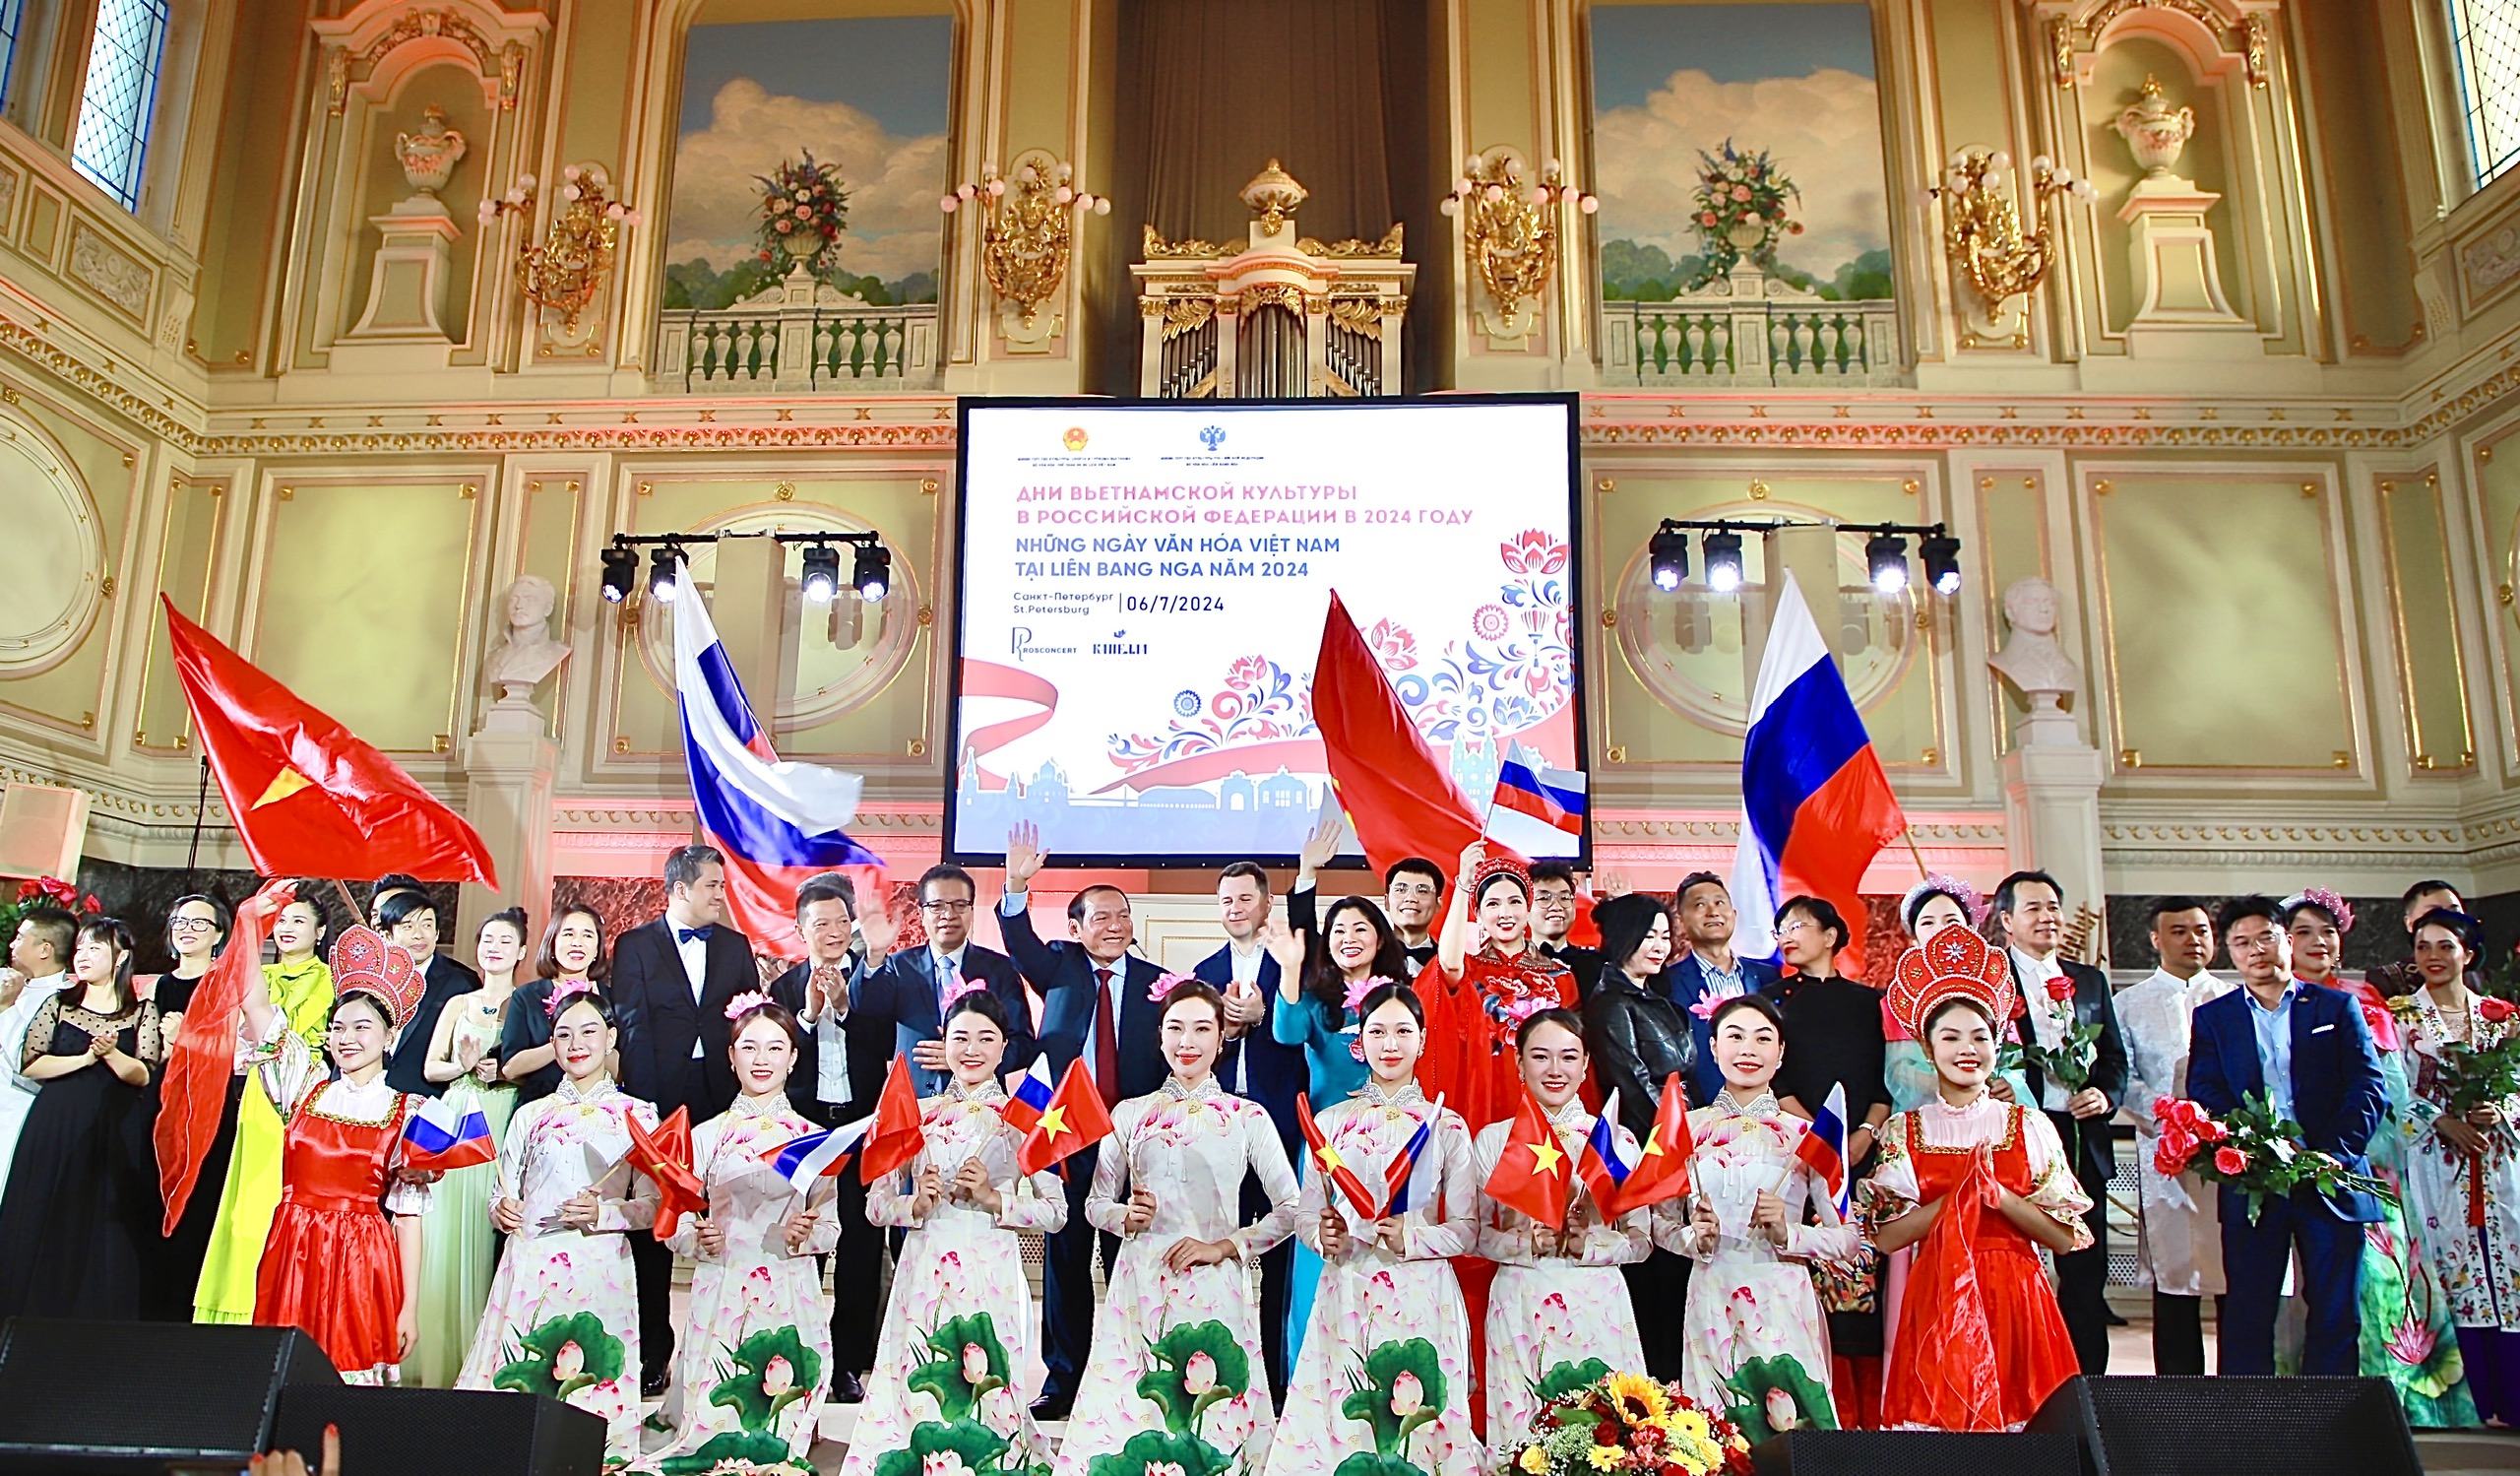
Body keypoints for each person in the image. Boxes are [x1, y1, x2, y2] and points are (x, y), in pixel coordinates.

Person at [1056, 980, 1300, 1474]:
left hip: (1216, 1285)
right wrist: (1124, 1216)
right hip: (1140, 1283)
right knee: (1137, 1407)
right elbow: (1094, 1204)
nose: (1186, 1041)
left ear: (1221, 1038)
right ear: (1160, 1036)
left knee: (1211, 1410)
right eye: (1175, 1028)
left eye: (1201, 1029)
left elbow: (1292, 1208)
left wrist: (1226, 1247)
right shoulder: (1129, 1113)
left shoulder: (1246, 1116)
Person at [1870, 923, 2089, 1431]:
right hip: (1937, 1298)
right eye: (1950, 1037)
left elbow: (2064, 1236)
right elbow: (1885, 1236)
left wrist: (2001, 1199)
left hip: (2017, 1298)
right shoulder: (1906, 1130)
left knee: (2029, 1438)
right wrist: (1957, 1202)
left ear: (1998, 1046)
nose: (1967, 1049)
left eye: (1980, 1036)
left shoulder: (2029, 1126)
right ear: (1928, 1049)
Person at [841, 990, 1064, 1476]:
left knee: (986, 1380)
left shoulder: (1023, 1119)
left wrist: (993, 1199)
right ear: (943, 1042)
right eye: (961, 1037)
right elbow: (875, 1207)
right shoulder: (913, 1113)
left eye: (987, 1039)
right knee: (920, 1375)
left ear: (1005, 1047)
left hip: (993, 1272)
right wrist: (914, 1203)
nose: (972, 1049)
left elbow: (1057, 1212)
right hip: (923, 1271)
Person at [1267, 981, 1480, 1476]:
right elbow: (1307, 1213)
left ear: (1422, 1040)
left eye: (1403, 1031)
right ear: (1359, 1042)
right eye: (1378, 1032)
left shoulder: (1447, 1126)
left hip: (1423, 1290)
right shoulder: (1330, 1122)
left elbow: (1467, 1230)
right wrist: (1325, 1237)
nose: (1390, 1044)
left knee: (1420, 1419)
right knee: (1346, 1410)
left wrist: (1414, 1238)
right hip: (1349, 1285)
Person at [998, 820, 1168, 1420]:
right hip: (1067, 1135)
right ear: (1075, 927)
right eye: (1101, 917)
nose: (1115, 926)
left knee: (1130, 1258)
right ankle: (1064, 1379)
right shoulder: (1060, 966)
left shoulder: (1157, 985)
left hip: (1133, 1139)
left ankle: (1134, 1374)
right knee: (1066, 1259)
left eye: (1122, 915)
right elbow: (1017, 939)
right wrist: (1016, 884)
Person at [2285, 886, 2470, 1422]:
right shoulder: (2272, 1002)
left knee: (2385, 1275)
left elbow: (2391, 1089)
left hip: (2375, 1161)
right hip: (2292, 1160)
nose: (2318, 942)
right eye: (2303, 933)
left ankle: (2396, 1398)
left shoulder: (2367, 1003)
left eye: (2328, 932)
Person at [458, 984, 662, 1463]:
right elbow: (503, 1190)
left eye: (589, 1031)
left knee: (592, 1378)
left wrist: (604, 1213)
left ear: (611, 1038)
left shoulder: (638, 1116)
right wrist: (500, 1210)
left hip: (600, 1265)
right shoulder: (531, 1115)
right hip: (532, 1262)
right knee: (524, 1375)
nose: (577, 1044)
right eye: (564, 1034)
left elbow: (652, 1205)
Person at [2187, 895, 2389, 1377]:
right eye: (2241, 943)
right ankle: (2247, 1419)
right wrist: (2257, 1147)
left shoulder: (2337, 1007)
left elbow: (2368, 1087)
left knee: (2335, 1308)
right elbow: (2205, 1092)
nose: (2256, 950)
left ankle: (2328, 1420)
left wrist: (2333, 1154)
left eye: (2265, 937)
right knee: (2248, 1309)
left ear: (2287, 941)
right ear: (2229, 954)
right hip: (2255, 1179)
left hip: (2329, 1176)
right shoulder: (2216, 1018)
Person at [638, 995, 836, 1470]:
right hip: (723, 1278)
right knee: (714, 1426)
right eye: (749, 1048)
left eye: (774, 1048)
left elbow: (831, 1227)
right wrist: (694, 1239)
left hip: (788, 1281)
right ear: (731, 1057)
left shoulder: (814, 1138)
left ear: (793, 1057)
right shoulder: (706, 1136)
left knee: (780, 1423)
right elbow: (677, 1218)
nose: (761, 1059)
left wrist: (805, 1234)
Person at [241, 915, 433, 1381]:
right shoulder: (304, 1084)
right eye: (339, 1027)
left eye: (362, 1027)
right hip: (294, 1251)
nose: (347, 1038)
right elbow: (255, 1005)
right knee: (286, 1381)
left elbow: (408, 1219)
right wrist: (250, 923)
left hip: (362, 1262)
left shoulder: (411, 1113)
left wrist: (409, 1307)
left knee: (351, 1385)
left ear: (389, 1037)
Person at [1666, 993, 1856, 1432]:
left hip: (1781, 1295)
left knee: (1796, 1435)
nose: (1747, 1049)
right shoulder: (1684, 1129)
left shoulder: (1806, 1137)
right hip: (1712, 1293)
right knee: (1713, 1438)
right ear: (1712, 1047)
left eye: (1762, 1038)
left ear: (1781, 1052)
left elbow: (1847, 1240)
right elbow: (1656, 1223)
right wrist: (1694, 1237)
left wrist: (1789, 1233)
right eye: (1734, 1036)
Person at [608, 844, 756, 1395]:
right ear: (680, 890)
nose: (722, 894)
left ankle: (729, 1346)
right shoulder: (635, 946)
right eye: (713, 885)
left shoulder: (737, 947)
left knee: (725, 1219)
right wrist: (646, 1106)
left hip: (721, 1099)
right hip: (659, 1101)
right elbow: (631, 1023)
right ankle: (653, 1353)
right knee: (656, 1225)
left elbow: (744, 1022)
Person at [1473, 1008, 1648, 1439]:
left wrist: (1588, 1245)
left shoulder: (1615, 1141)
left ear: (1586, 1064)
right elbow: (1474, 1234)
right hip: (1521, 1300)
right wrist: (1525, 1243)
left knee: (1608, 1440)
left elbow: (1641, 1240)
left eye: (1568, 1057)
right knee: (1522, 1438)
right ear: (1518, 1063)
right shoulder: (1493, 1140)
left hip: (1597, 1302)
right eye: (1540, 1056)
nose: (1555, 1070)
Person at [1265, 893, 1410, 1375]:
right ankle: (1311, 1378)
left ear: (1380, 937)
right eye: (1339, 931)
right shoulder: (1317, 1002)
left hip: (1395, 1145)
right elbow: (1285, 1034)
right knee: (1320, 1255)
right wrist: (1290, 969)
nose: (1349, 939)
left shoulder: (1401, 996)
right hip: (1330, 1147)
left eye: (1360, 929)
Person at [766, 871, 893, 1405]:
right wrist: (813, 1013)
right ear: (801, 929)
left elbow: (887, 1037)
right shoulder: (784, 986)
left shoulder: (874, 975)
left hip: (862, 1126)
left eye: (843, 921)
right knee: (805, 1243)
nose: (835, 931)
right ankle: (798, 1360)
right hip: (807, 1129)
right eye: (822, 923)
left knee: (861, 1250)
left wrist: (844, 1007)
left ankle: (848, 1366)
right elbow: (777, 1048)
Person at [1992, 869, 2125, 1375]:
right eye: (2033, 908)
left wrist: (2104, 1095)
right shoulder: (1993, 978)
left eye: (2053, 907)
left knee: (2085, 1270)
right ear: (2007, 920)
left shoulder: (2088, 980)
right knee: (2018, 1267)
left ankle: (2089, 1384)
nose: (2047, 917)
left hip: (2081, 1138)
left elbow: (2114, 1057)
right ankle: (2023, 1379)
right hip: (2019, 1138)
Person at [1766, 894, 1891, 1424]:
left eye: (1799, 925)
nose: (1788, 935)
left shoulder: (1869, 1003)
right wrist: (1817, 1140)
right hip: (1799, 1155)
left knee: (1864, 1287)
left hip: (1862, 1157)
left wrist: (1863, 1132)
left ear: (1831, 935)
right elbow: (1778, 1080)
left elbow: (1882, 1085)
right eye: (1781, 929)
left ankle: (1869, 1417)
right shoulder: (1773, 1001)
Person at [0, 917, 160, 1318]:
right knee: (41, 1212)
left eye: (95, 948)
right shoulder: (58, 1004)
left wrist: (110, 1054)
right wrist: (85, 1057)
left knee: (101, 1223)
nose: (83, 956)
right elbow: (30, 1065)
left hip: (114, 1127)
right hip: (55, 1123)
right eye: (81, 948)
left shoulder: (142, 1011)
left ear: (120, 957)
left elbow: (143, 1073)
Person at [2402, 908, 2520, 1424]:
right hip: (2436, 1161)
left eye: (2444, 946)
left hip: (2499, 1160)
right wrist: (2439, 1120)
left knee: (2509, 1265)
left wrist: (2504, 1110)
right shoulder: (2400, 1016)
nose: (2433, 956)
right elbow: (2392, 1090)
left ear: (2466, 953)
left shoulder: (2502, 1016)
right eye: (2423, 946)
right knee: (2454, 1268)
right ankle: (2468, 1400)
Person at [197, 886, 335, 1325]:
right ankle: (235, 1302)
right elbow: (237, 1033)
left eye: (299, 920)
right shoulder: (260, 975)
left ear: (321, 930)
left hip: (304, 1090)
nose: (288, 928)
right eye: (282, 920)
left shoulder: (330, 980)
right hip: (257, 1089)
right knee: (247, 1197)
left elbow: (292, 1032)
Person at [1195, 858, 1306, 1399]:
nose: (1235, 909)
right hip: (1219, 1134)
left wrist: (1264, 1017)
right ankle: (1220, 1373)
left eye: (1244, 898)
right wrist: (1230, 1031)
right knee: (1222, 1250)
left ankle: (1279, 1381)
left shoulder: (1292, 966)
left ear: (1265, 903)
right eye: (1225, 901)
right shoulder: (1202, 971)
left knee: (1282, 1257)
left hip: (1283, 1124)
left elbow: (1297, 1035)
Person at [405, 907, 528, 1388]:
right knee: (444, 1233)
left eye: (504, 940)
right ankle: (435, 1352)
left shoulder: (528, 1001)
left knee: (487, 1231)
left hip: (504, 1116)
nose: (493, 947)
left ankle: (484, 1353)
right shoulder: (459, 1002)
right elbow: (431, 1068)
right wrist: (463, 1064)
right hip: (459, 1118)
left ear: (521, 952)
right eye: (486, 939)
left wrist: (501, 1070)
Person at [2112, 896, 2231, 1377]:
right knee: (2174, 1271)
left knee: (2235, 1271)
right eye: (2178, 930)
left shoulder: (2232, 998)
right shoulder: (2130, 1003)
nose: (2192, 939)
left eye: (2201, 930)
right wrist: (2167, 1116)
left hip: (2231, 1153)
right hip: (2164, 1151)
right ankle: (2178, 1390)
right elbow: (2123, 1074)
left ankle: (2241, 1385)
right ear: (2156, 939)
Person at [1582, 890, 1695, 1381]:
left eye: (1665, 936)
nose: (1658, 945)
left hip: (1678, 1143)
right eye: (1648, 935)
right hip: (1646, 1154)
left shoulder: (1664, 1002)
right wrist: (1676, 1147)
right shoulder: (1609, 1003)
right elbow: (1632, 1082)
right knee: (1652, 1278)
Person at [852, 863, 1033, 1098]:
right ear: (921, 913)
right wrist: (875, 954)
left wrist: (968, 1060)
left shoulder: (1000, 969)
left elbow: (1023, 1044)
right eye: (937, 906)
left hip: (980, 1106)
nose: (948, 915)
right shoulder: (898, 966)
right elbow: (863, 1006)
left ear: (971, 910)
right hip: (913, 1104)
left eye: (960, 905)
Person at [142, 895, 230, 1319]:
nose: (187, 928)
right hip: (159, 1097)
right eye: (180, 920)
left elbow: (233, 1050)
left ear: (218, 935)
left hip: (207, 1105)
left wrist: (185, 1038)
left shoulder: (224, 985)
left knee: (196, 1202)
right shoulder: (160, 985)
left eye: (200, 922)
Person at [1667, 873, 1780, 1107]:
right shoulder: (1666, 983)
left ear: (1734, 914)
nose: (1713, 911)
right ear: (1680, 921)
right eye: (1699, 905)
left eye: (1720, 903)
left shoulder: (1769, 978)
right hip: (1698, 1116)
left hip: (1766, 1113)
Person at [376, 886, 481, 1099]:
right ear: (387, 935)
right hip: (369, 1096)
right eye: (407, 926)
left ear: (437, 933)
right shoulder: (371, 977)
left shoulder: (461, 982)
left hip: (425, 1101)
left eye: (427, 925)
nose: (419, 935)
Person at [0, 905, 77, 1196]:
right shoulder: (11, 983)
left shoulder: (64, 1000)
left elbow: (28, 1064)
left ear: (45, 949)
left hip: (19, 1116)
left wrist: (6, 1009)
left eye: (20, 938)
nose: (12, 944)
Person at [500, 905, 609, 1107]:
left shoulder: (611, 998)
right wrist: (562, 1041)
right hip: (539, 1106)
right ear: (552, 943)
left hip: (599, 1108)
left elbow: (622, 1068)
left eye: (587, 936)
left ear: (597, 949)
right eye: (568, 934)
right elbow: (510, 1068)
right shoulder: (526, 997)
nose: (577, 943)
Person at [1528, 863, 1603, 998]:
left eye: (1564, 898)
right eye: (1544, 898)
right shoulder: (1511, 964)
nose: (1557, 907)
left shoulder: (1597, 965)